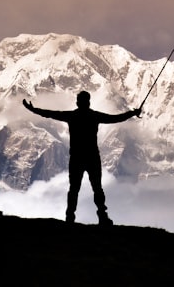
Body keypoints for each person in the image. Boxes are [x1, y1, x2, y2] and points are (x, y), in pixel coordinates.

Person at [22, 91, 140, 225]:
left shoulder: (72, 116)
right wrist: (132, 113)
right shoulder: (94, 116)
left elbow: (50, 114)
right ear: (88, 102)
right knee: (97, 188)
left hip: (76, 158)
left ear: (78, 102)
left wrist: (33, 109)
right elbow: (115, 118)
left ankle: (70, 217)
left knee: (74, 189)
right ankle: (102, 216)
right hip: (92, 157)